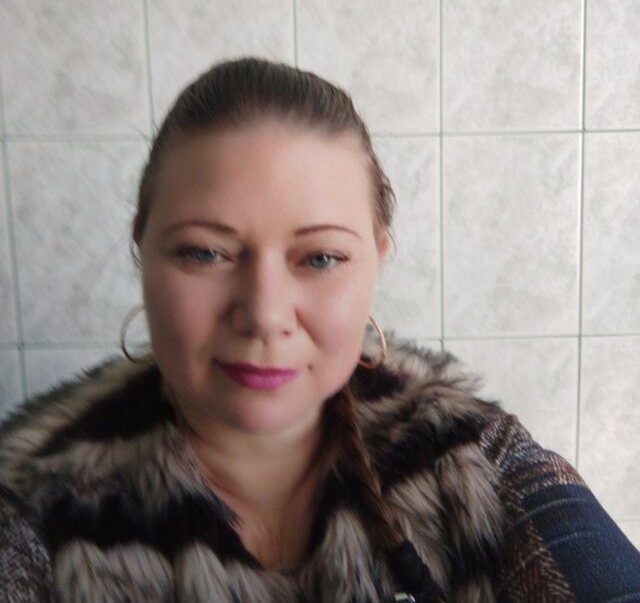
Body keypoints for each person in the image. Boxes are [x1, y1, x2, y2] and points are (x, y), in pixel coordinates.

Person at [0, 56, 639, 603]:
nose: (265, 313)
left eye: (321, 258)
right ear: (144, 250)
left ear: (374, 262)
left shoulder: (468, 459)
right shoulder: (31, 497)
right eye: (205, 252)